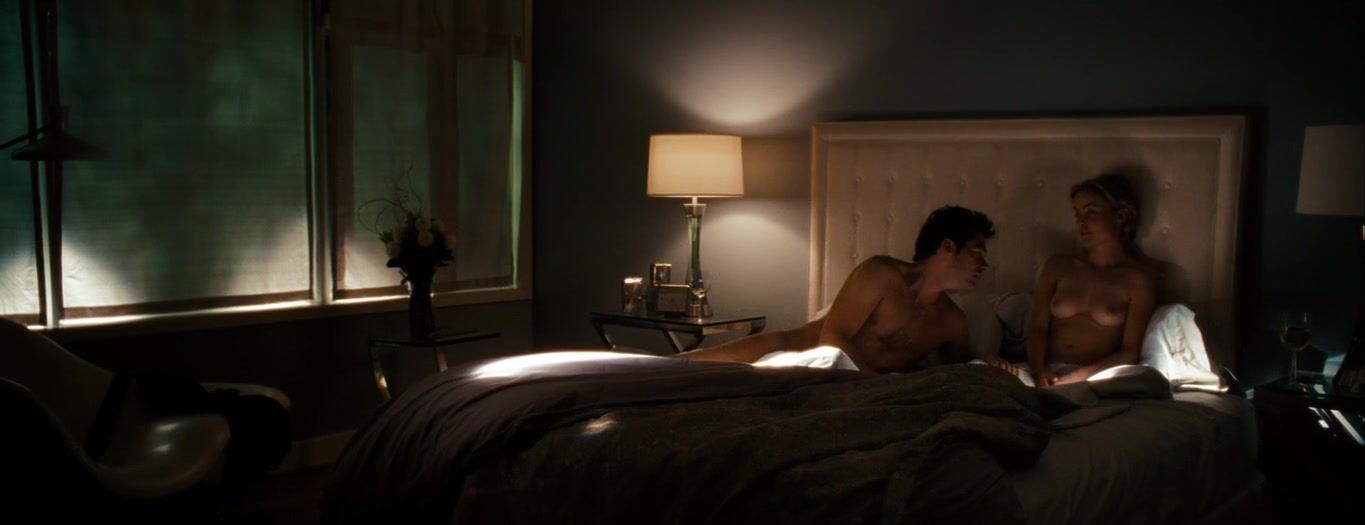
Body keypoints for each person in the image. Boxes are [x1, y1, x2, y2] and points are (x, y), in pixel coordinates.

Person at [678, 206, 999, 374]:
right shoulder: (882, 275)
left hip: (853, 388)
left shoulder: (952, 322)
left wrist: (990, 364)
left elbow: (959, 374)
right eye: (977, 253)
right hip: (792, 353)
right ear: (947, 247)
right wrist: (875, 385)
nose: (984, 265)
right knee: (678, 368)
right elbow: (833, 338)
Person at [1024, 174, 1159, 387]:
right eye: (1077, 214)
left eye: (1091, 212)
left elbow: (1129, 352)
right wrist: (1038, 371)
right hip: (1042, 373)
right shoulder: (1058, 265)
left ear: (1120, 216)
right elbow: (1037, 328)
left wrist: (1072, 380)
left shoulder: (1138, 280)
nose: (1081, 222)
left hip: (1094, 379)